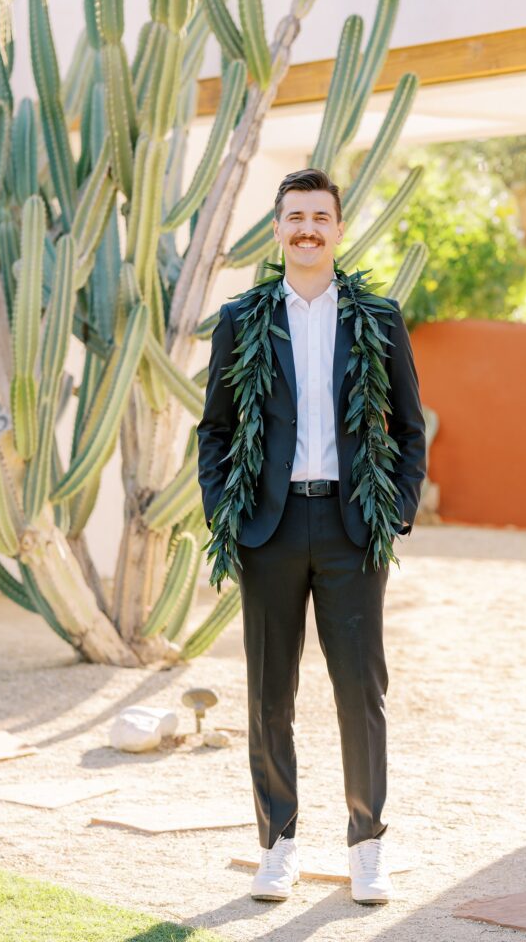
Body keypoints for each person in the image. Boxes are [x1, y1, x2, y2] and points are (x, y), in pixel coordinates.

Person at [197, 168, 426, 905]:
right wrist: (222, 513)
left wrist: (393, 512)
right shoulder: (241, 316)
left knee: (360, 690)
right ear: (277, 227)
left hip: (351, 527)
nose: (306, 228)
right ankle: (279, 845)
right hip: (268, 526)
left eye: (319, 216)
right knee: (269, 695)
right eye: (294, 215)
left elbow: (410, 429)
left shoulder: (379, 317)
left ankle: (367, 846)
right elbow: (216, 430)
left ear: (337, 227)